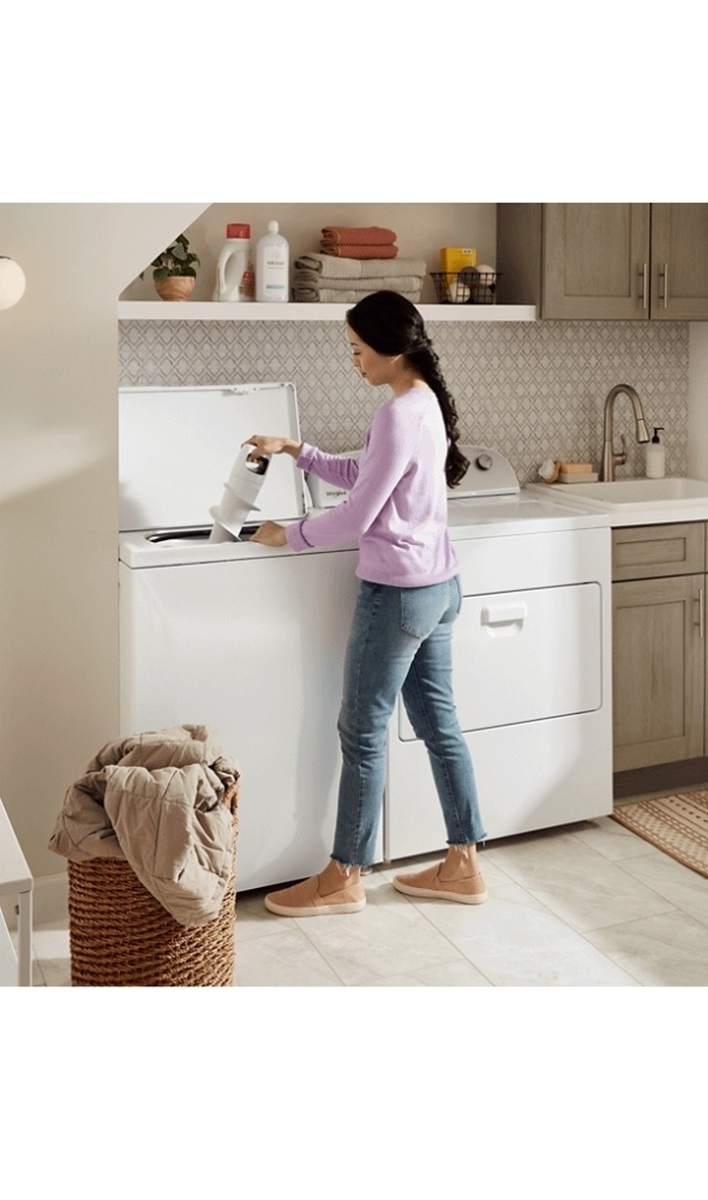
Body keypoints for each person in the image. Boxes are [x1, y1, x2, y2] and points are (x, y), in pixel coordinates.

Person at [246, 289, 487, 917]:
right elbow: (370, 476)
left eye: (356, 349)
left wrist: (288, 535)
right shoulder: (421, 404)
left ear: (390, 347)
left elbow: (359, 514)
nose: (353, 360)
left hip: (398, 597)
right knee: (440, 726)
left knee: (362, 731)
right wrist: (299, 451)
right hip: (439, 587)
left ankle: (343, 875)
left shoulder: (396, 414)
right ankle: (463, 864)